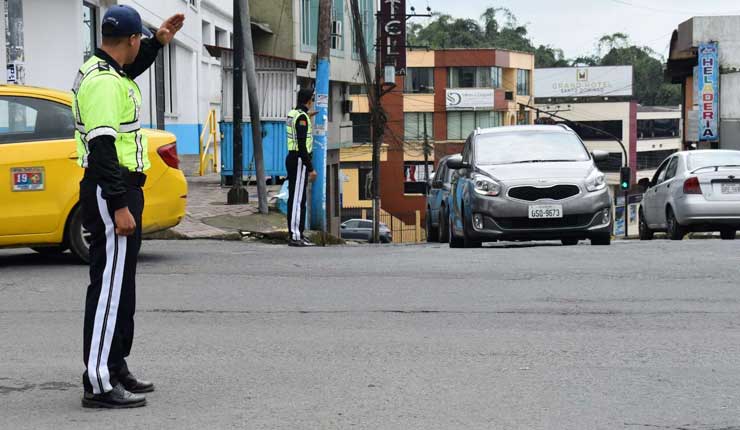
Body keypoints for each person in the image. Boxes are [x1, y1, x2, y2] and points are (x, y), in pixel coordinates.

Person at [73, 5, 184, 409]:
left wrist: (158, 44)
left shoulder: (108, 73)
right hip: (111, 189)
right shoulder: (103, 83)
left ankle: (115, 365)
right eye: (143, 40)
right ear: (131, 40)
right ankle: (98, 381)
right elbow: (102, 147)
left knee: (122, 288)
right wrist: (120, 205)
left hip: (117, 187)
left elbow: (127, 76)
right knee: (108, 289)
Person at [285, 88, 318, 247]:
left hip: (293, 158)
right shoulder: (302, 118)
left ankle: (298, 232)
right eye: (312, 99)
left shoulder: (294, 113)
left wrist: (307, 116)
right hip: (299, 159)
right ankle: (295, 236)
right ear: (308, 100)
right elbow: (302, 145)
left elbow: (297, 126)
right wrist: (310, 167)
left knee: (298, 198)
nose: (312, 102)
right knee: (297, 200)